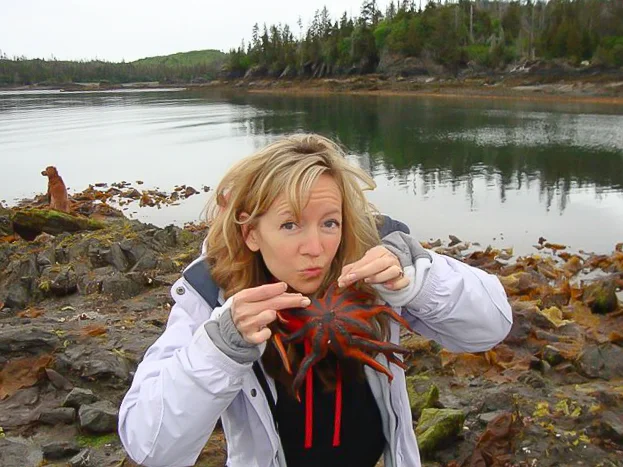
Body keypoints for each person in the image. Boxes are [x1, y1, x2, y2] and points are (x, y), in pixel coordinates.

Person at [118, 134, 513, 467]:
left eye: (329, 223)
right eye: (290, 225)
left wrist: (422, 281)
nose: (315, 248)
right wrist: (220, 348)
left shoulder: (375, 267)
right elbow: (150, 447)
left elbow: (492, 326)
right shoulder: (211, 297)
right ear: (251, 233)